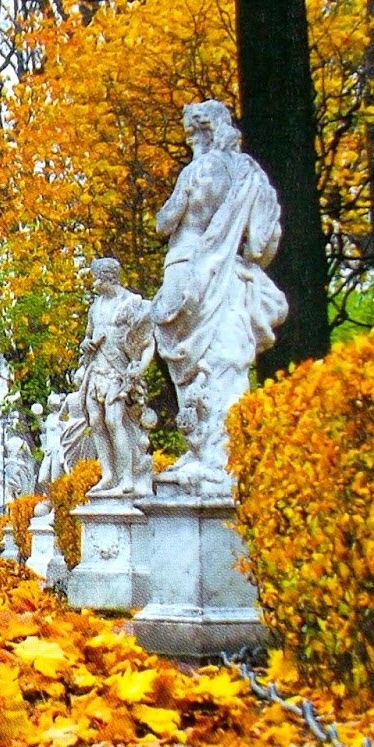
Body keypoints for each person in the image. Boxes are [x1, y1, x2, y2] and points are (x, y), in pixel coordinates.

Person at [151, 99, 288, 494]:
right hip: (226, 272)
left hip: (185, 267)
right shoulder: (250, 176)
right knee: (222, 360)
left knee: (190, 361)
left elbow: (164, 222)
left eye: (190, 132)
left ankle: (212, 454)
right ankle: (217, 452)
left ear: (200, 131)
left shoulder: (199, 170)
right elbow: (263, 242)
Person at [76, 257, 155, 496]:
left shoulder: (132, 303)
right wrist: (87, 344)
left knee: (114, 421)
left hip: (118, 374)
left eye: (97, 278)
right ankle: (108, 475)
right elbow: (86, 338)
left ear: (109, 277)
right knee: (96, 422)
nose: (95, 283)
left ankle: (127, 477)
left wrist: (140, 368)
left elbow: (148, 342)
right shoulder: (96, 307)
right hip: (96, 372)